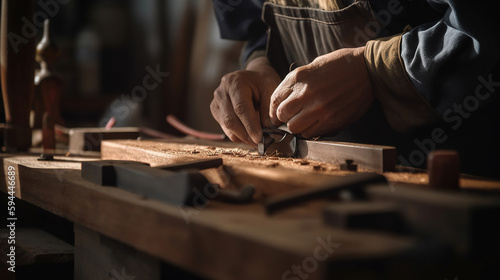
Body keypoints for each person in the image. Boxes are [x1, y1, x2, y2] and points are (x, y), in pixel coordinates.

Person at [210, 0, 500, 178]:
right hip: (322, 180)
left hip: (455, 175)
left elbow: (482, 28)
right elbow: (256, 26)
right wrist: (259, 64)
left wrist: (374, 70)